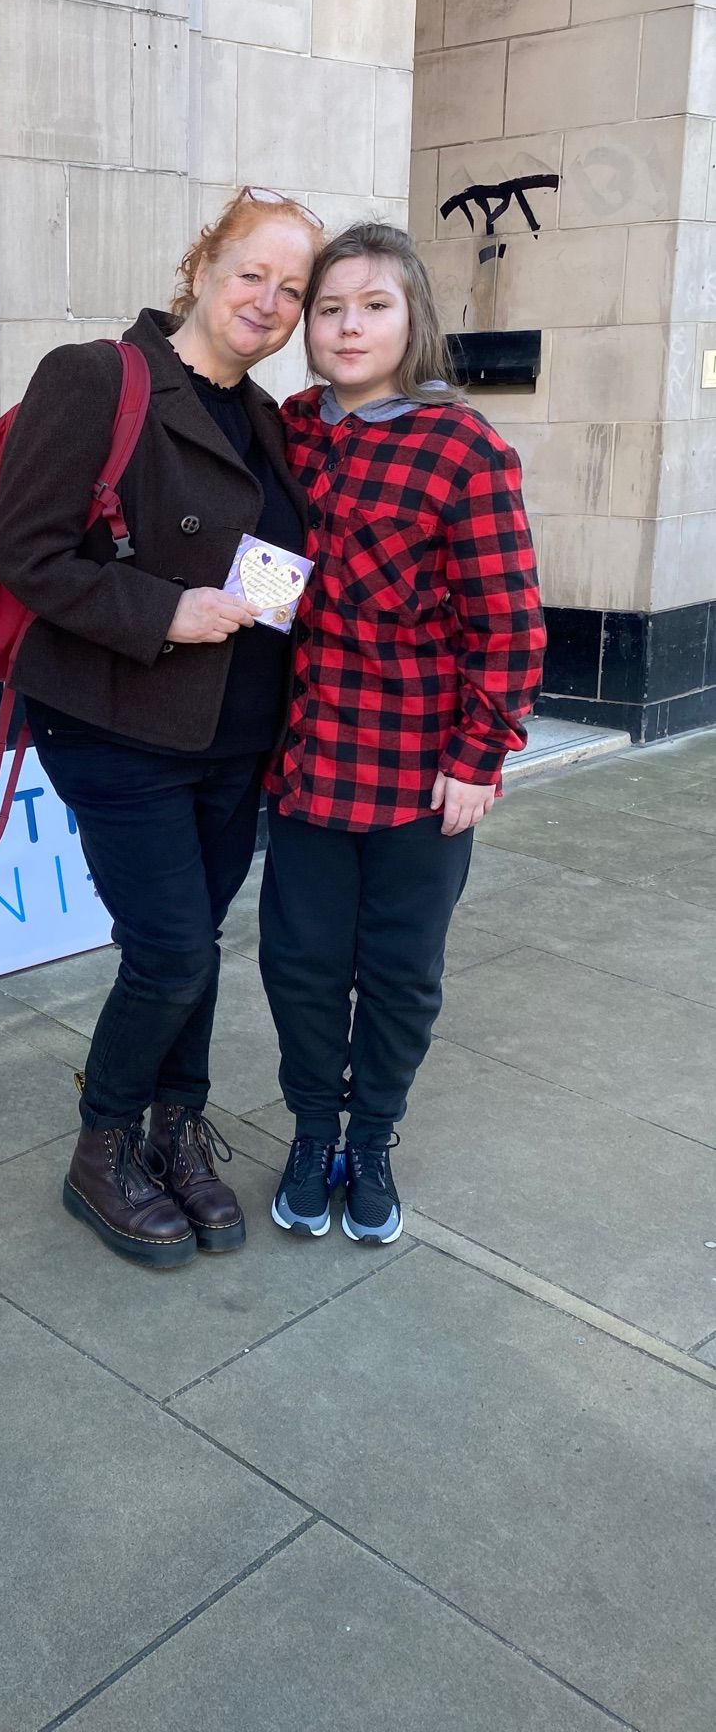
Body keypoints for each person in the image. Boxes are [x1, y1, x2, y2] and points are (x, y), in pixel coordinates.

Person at [0, 188, 325, 1268]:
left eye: (291, 288)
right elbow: (25, 552)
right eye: (250, 273)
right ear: (202, 266)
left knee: (191, 945)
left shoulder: (268, 418)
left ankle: (175, 1132)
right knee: (173, 949)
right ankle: (102, 1144)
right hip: (120, 722)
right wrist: (162, 610)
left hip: (236, 733)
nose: (267, 301)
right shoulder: (97, 377)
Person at [261, 220, 546, 1246]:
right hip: (304, 765)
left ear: (412, 317)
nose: (348, 325)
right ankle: (310, 1131)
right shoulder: (287, 428)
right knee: (297, 964)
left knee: (399, 972)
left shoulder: (463, 445)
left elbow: (508, 620)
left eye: (373, 305)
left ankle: (370, 1137)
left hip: (422, 775)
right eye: (330, 306)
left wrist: (480, 757)